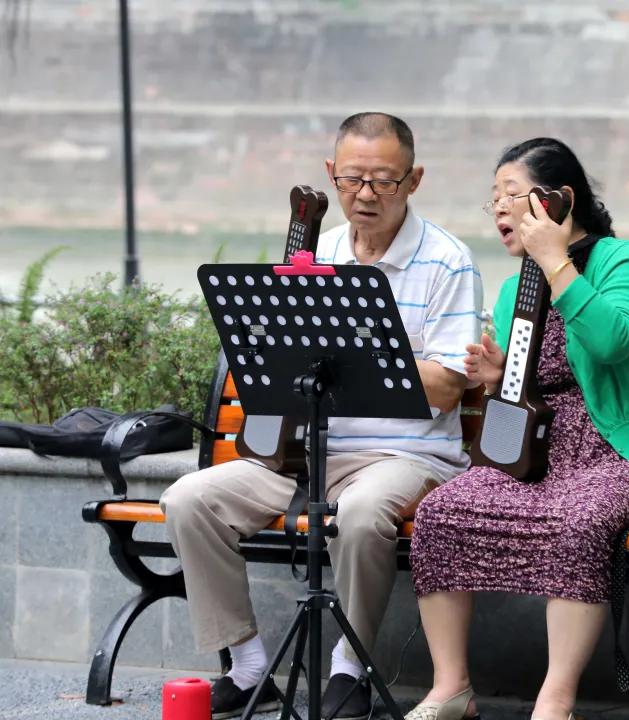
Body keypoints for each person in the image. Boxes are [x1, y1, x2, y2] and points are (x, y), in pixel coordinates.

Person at [160, 112, 482, 720]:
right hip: (307, 451)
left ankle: (347, 668)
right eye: (353, 178)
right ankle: (250, 665)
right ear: (331, 175)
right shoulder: (317, 253)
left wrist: (361, 359)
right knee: (188, 500)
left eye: (384, 181)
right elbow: (272, 362)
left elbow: (444, 387)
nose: (365, 194)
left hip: (405, 456)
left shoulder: (447, 262)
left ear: (413, 181)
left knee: (361, 516)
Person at [406, 138, 629, 720]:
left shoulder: (622, 261)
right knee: (440, 514)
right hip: (538, 454)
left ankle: (555, 701)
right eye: (494, 199)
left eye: (513, 194)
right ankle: (451, 688)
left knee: (579, 522)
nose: (501, 209)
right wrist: (495, 375)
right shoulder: (515, 289)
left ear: (560, 200)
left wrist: (558, 262)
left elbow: (611, 342)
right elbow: (528, 391)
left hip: (619, 451)